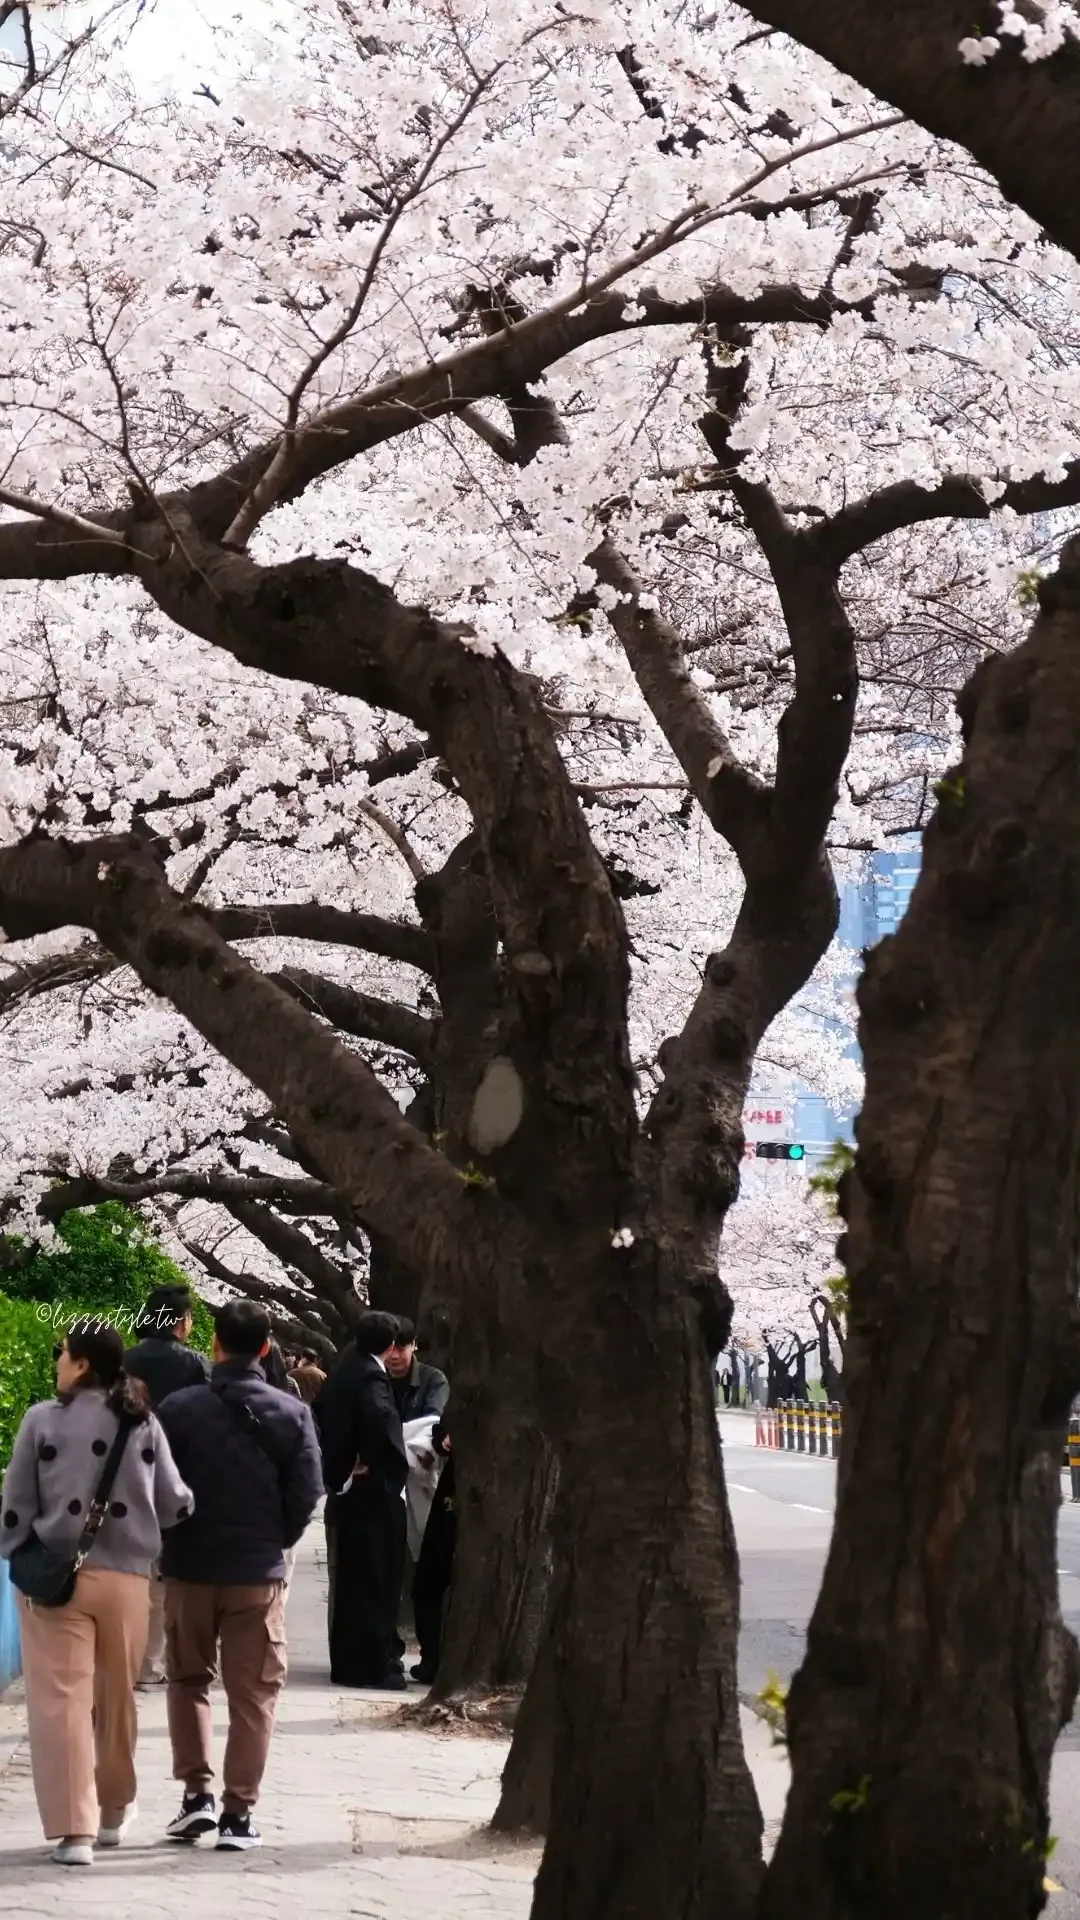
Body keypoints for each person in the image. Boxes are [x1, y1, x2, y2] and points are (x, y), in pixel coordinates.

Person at [0, 1320, 192, 1866]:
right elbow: (175, 1499)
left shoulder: (41, 1419)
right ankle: (113, 1811)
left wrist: (17, 1550)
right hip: (127, 1577)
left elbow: (16, 1501)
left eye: (61, 1352)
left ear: (81, 1363)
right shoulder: (142, 1422)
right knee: (115, 1700)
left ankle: (74, 1832)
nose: (57, 1360)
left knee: (60, 1701)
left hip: (55, 1578)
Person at [155, 1300, 323, 1851]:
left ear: (214, 1344)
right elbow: (306, 1494)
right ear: (267, 1347)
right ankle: (238, 1813)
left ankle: (195, 1797)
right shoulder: (290, 1412)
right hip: (256, 1571)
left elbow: (153, 1484)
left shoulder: (176, 1411)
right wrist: (275, 1540)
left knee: (187, 1680)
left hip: (188, 1566)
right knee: (254, 1694)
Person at [314, 1309, 408, 1689]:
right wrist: (370, 1460)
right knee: (376, 1578)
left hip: (347, 1490)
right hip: (372, 1492)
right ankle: (374, 1665)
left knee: (353, 1579)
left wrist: (337, 1463)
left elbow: (320, 1414)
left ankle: (351, 1663)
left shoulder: (343, 1371)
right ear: (389, 1345)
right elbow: (379, 1420)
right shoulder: (371, 1375)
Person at [125, 1283, 210, 1687]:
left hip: (124, 1477)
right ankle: (149, 1664)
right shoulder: (194, 1364)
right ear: (180, 1322)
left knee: (128, 1572)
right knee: (164, 1577)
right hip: (175, 1474)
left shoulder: (124, 1360)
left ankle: (123, 1660)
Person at [409, 1417, 456, 1686]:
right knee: (428, 1582)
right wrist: (444, 1439)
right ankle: (432, 1658)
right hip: (451, 1498)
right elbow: (441, 1427)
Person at [385, 1320, 449, 1423]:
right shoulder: (372, 1379)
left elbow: (432, 1423)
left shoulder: (434, 1380)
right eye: (389, 1350)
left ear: (413, 1344)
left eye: (401, 1349)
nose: (394, 1356)